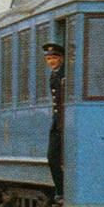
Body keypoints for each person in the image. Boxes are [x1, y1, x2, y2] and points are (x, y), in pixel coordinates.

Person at [43, 42, 65, 197]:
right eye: (49, 59)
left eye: (54, 58)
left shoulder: (64, 75)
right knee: (52, 157)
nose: (51, 61)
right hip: (58, 121)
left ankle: (62, 190)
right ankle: (60, 189)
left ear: (61, 59)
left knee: (54, 156)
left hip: (64, 121)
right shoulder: (54, 74)